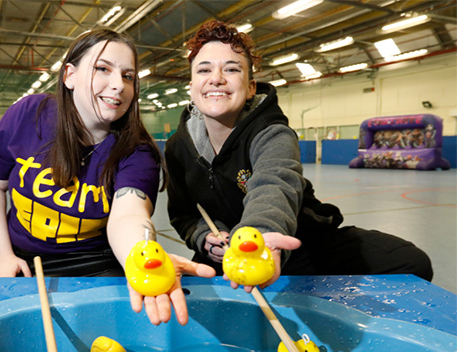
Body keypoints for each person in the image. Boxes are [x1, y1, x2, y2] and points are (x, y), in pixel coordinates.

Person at [164, 21, 433, 291]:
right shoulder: (178, 146)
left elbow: (274, 185)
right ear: (192, 86)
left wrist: (260, 237)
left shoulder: (271, 132)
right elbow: (183, 213)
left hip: (291, 243)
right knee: (184, 296)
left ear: (250, 88)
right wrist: (203, 237)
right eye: (204, 69)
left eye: (232, 69)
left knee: (410, 263)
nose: (216, 78)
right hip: (227, 256)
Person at [0, 29, 215, 326]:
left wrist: (140, 257)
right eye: (103, 69)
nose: (118, 85)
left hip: (93, 261)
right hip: (22, 256)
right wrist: (2, 256)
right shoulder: (28, 115)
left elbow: (129, 216)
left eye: (128, 76)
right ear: (70, 76)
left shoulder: (137, 152)